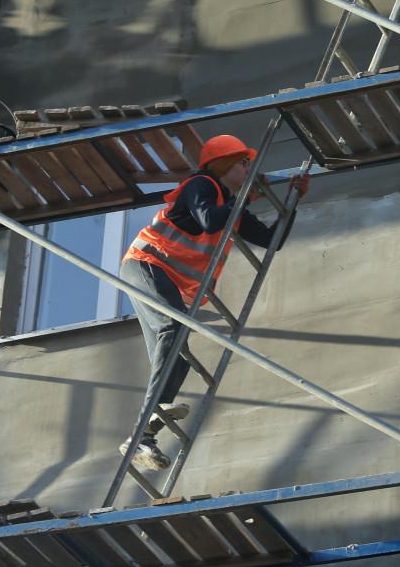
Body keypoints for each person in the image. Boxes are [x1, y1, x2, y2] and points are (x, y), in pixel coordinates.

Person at [117, 134, 309, 470]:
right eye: (243, 163)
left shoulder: (230, 207)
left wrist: (293, 200)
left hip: (167, 280)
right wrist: (244, 200)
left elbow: (271, 241)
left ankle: (141, 438)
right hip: (148, 264)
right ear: (223, 164)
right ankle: (147, 422)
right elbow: (208, 218)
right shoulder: (201, 184)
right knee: (172, 329)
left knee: (178, 354)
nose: (249, 168)